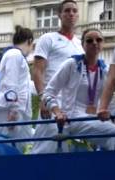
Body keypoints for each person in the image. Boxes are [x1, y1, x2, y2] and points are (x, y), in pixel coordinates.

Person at [32, 29, 115, 153]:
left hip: (94, 119)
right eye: (89, 40)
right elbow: (48, 93)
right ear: (83, 45)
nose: (94, 43)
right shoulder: (71, 64)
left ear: (103, 44)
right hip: (73, 119)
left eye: (98, 40)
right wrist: (57, 111)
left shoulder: (105, 70)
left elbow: (111, 101)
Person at [31, 0, 84, 153]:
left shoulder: (80, 44)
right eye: (67, 10)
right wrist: (44, 99)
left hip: (74, 106)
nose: (71, 14)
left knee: (71, 149)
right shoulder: (48, 38)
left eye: (74, 11)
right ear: (59, 15)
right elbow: (38, 71)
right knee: (46, 147)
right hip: (52, 102)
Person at [0, 25, 35, 154]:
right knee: (12, 149)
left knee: (22, 148)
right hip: (13, 111)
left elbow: (25, 85)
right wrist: (13, 109)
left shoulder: (16, 56)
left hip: (19, 110)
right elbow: (11, 83)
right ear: (29, 41)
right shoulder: (14, 55)